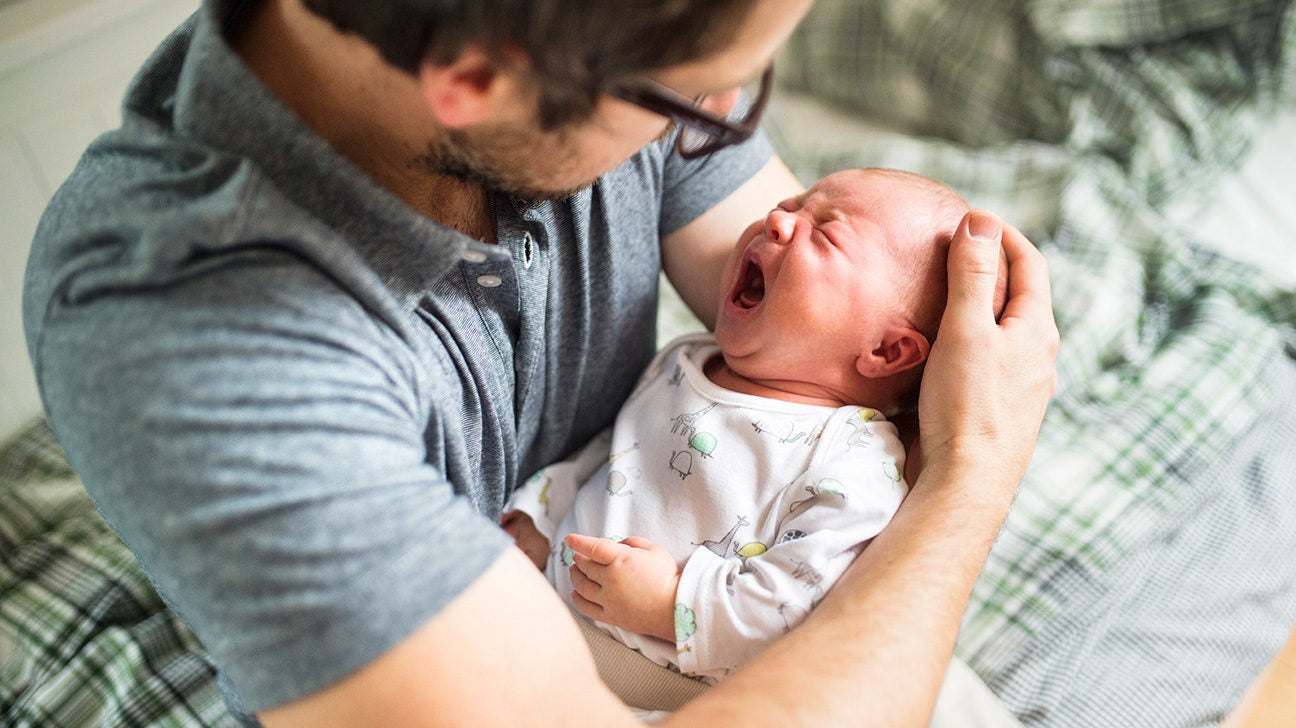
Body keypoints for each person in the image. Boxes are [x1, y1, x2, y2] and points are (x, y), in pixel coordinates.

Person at [21, 0, 1059, 725]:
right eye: (700, 98)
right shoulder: (197, 342)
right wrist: (974, 472)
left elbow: (827, 347)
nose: (728, 127)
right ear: (476, 82)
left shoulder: (580, 49)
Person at [502, 168, 1007, 686]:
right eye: (794, 202)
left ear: (885, 351)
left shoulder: (855, 459)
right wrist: (542, 515)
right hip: (535, 619)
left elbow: (796, 606)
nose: (778, 220)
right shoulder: (688, 359)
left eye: (828, 233)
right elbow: (616, 457)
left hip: (658, 690)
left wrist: (671, 602)